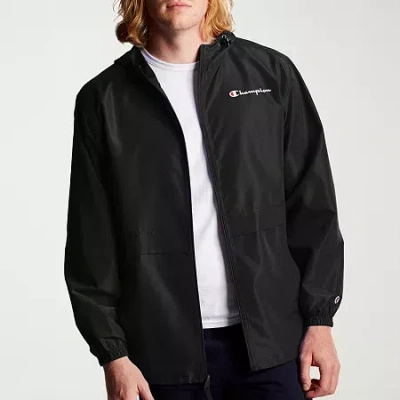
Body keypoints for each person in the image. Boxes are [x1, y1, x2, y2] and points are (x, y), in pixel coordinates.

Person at [63, 0, 344, 399]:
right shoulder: (103, 98)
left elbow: (312, 205)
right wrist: (114, 355)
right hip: (158, 355)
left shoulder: (270, 74)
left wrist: (320, 320)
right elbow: (91, 238)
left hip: (273, 347)